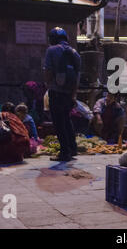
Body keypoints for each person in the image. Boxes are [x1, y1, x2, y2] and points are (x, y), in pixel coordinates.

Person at [44, 27, 80, 161]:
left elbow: (48, 71)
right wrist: (73, 95)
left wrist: (48, 86)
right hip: (69, 93)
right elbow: (77, 76)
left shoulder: (51, 50)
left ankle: (65, 152)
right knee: (66, 119)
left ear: (52, 39)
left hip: (56, 91)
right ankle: (73, 148)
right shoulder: (75, 53)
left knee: (59, 122)